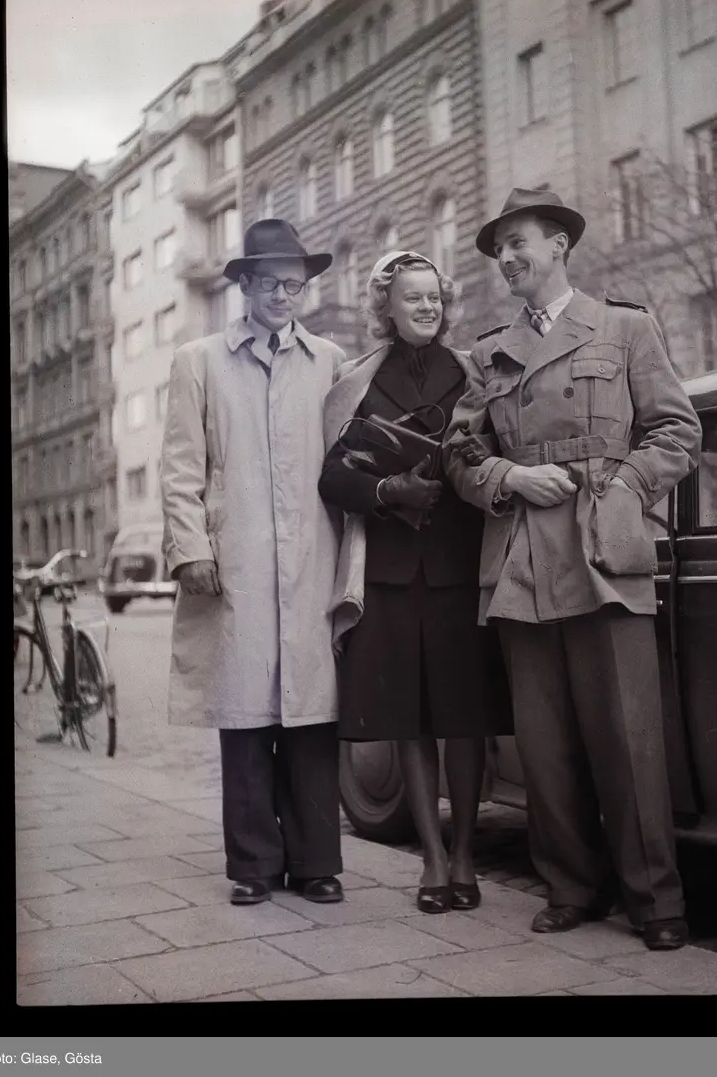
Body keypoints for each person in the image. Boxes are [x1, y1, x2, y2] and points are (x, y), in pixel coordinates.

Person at [444, 187, 702, 951]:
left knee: (628, 737)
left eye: (517, 242)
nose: (506, 258)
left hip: (602, 548)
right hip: (522, 556)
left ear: (558, 244)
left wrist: (623, 489)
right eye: (498, 249)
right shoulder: (488, 354)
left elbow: (677, 431)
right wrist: (508, 477)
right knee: (544, 742)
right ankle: (570, 887)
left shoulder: (624, 328)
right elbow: (458, 456)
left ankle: (654, 900)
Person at [319, 250, 512, 914]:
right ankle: (431, 860)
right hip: (392, 575)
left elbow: (501, 451)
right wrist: (385, 489)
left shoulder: (475, 371)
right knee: (411, 721)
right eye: (412, 297)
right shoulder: (357, 381)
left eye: (434, 297)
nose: (427, 307)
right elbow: (332, 476)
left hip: (463, 567)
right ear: (387, 308)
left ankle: (464, 858)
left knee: (465, 720)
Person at [161, 219, 348, 907]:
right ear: (244, 285)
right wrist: (190, 548)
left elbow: (347, 462)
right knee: (244, 718)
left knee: (311, 714)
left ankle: (316, 863)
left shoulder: (329, 361)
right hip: (234, 557)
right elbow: (180, 468)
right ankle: (253, 867)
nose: (281, 295)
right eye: (268, 282)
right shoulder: (200, 361)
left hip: (310, 558)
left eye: (293, 285)